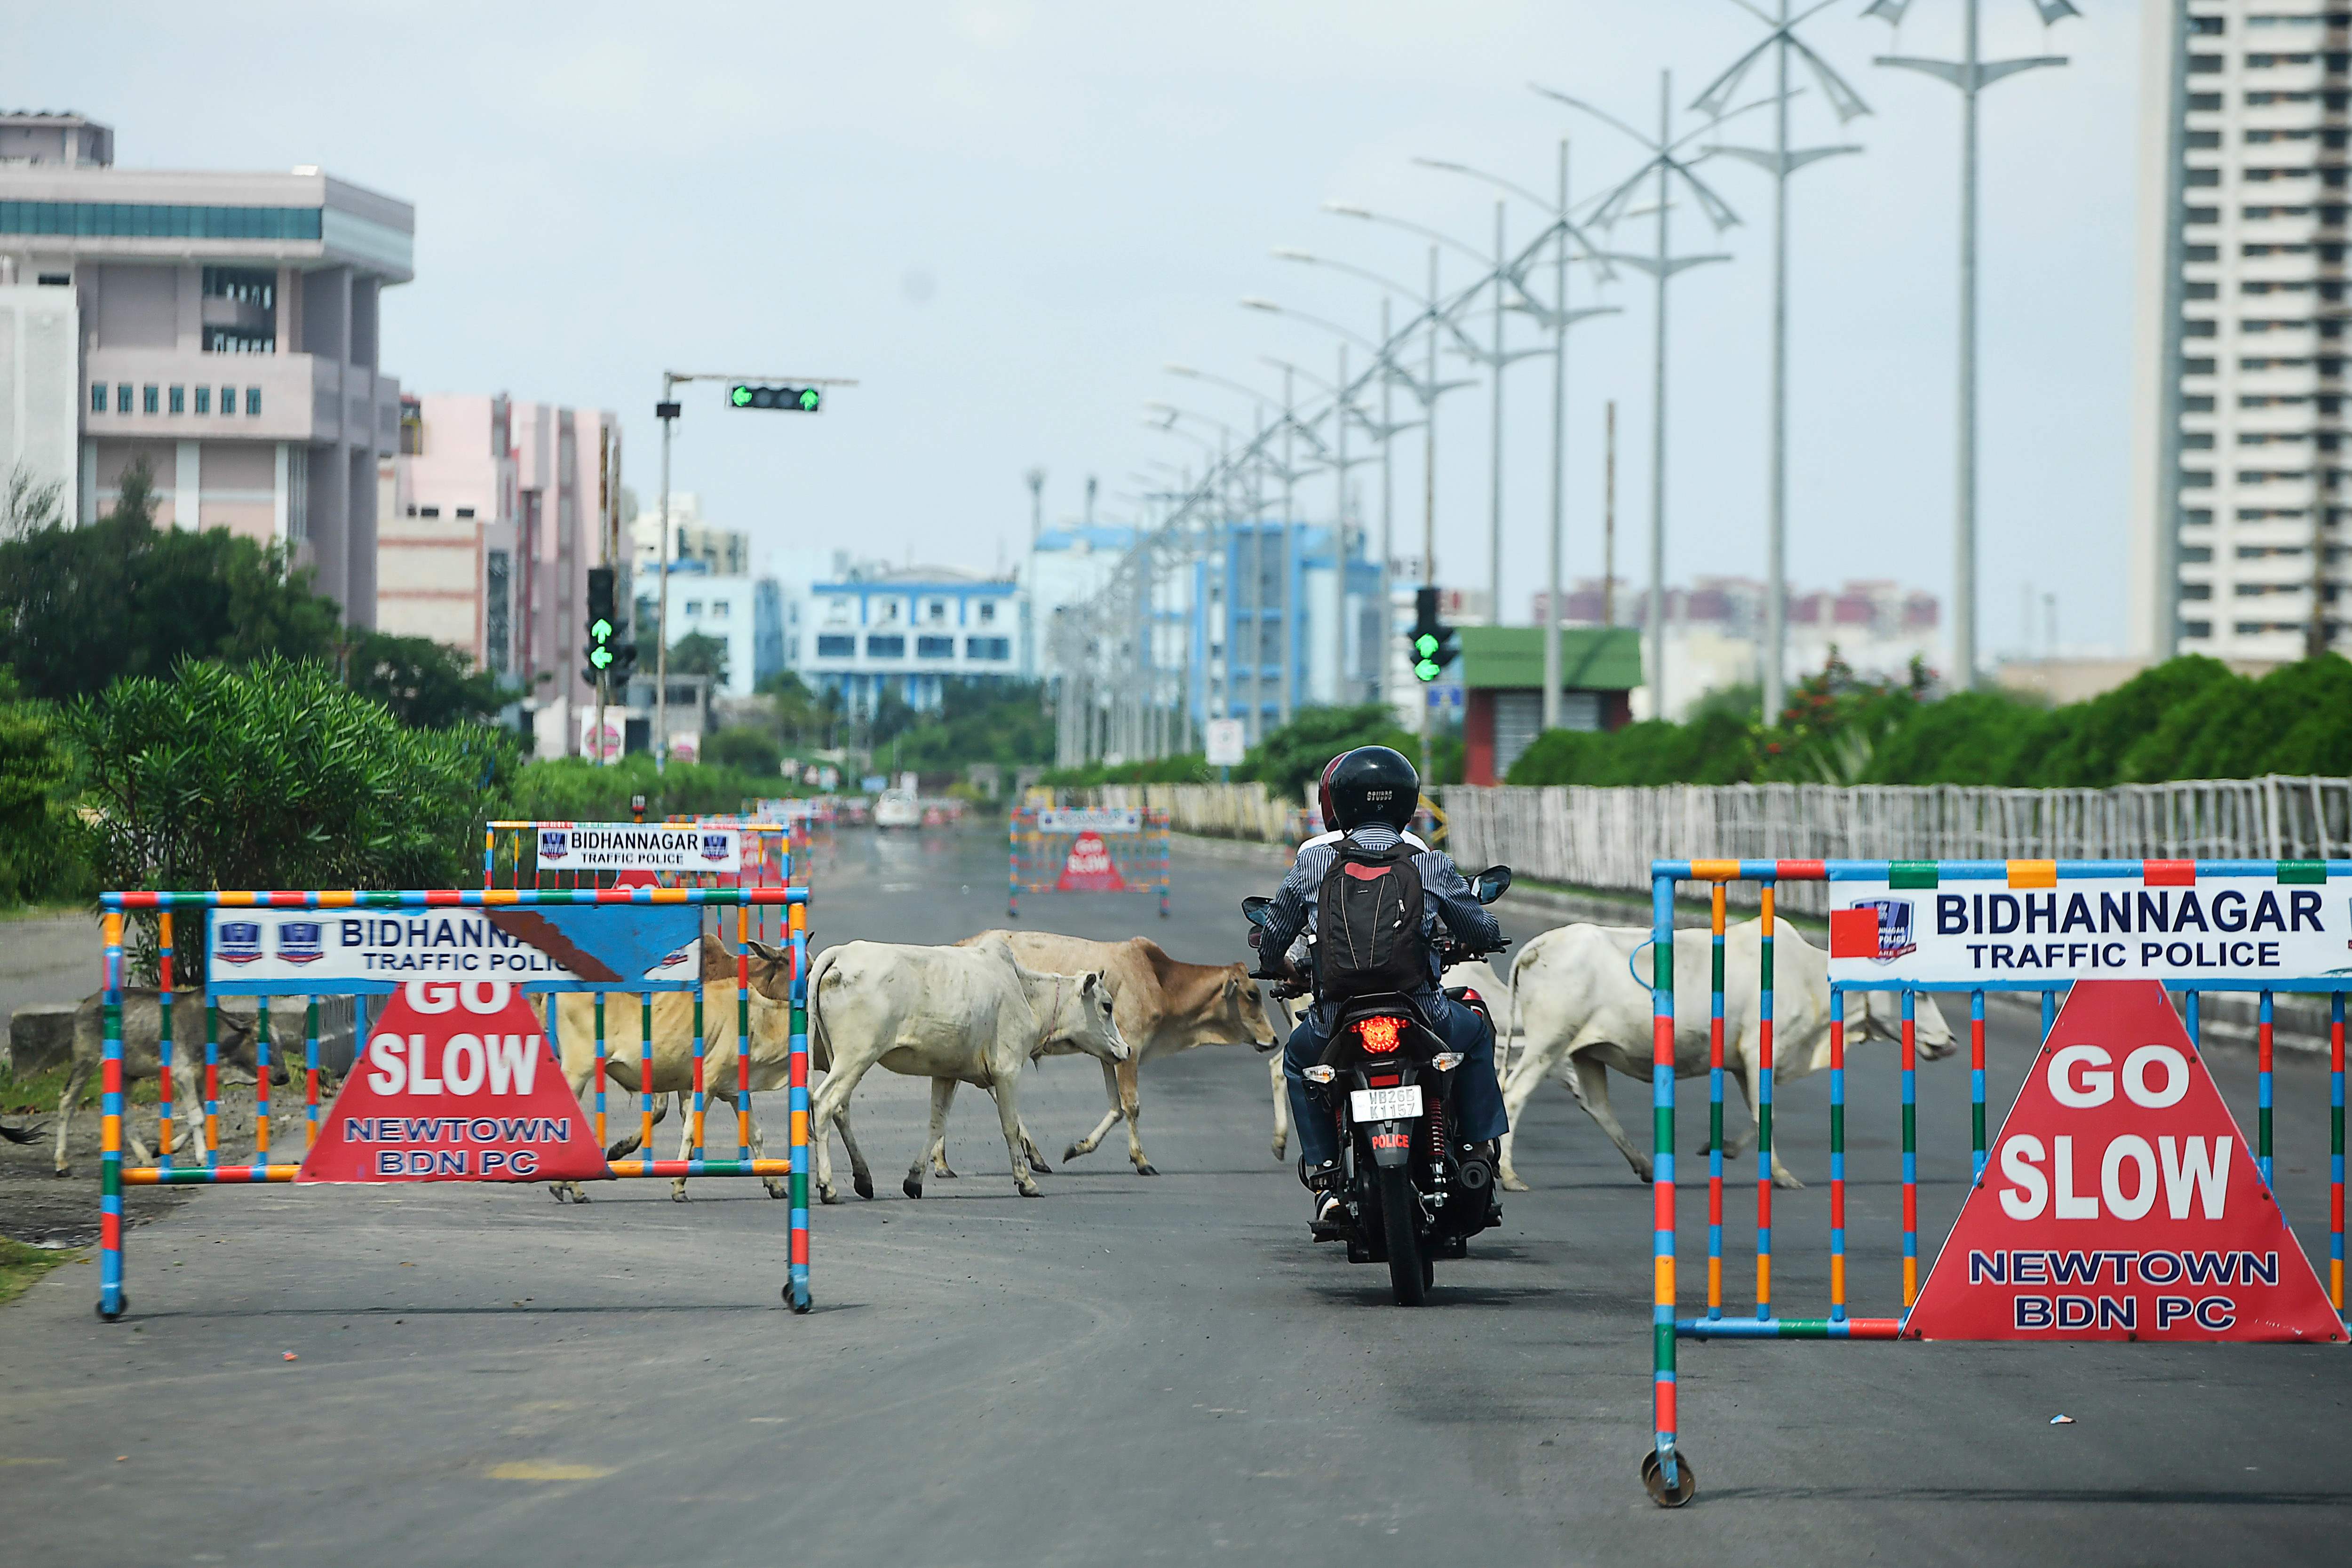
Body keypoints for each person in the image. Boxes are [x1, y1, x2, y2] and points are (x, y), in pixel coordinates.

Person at [1256, 745, 1507, 1229]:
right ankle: (1476, 1146)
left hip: (1336, 1018)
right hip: (1422, 1013)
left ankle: (1327, 1176)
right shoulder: (1428, 863)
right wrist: (1483, 937)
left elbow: (1274, 937)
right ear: (1407, 804)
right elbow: (1480, 931)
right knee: (1473, 1029)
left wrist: (1276, 966)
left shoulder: (1313, 864)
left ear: (1340, 805)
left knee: (1296, 1059)